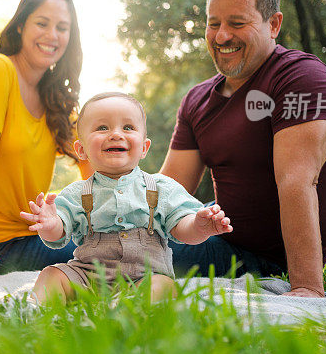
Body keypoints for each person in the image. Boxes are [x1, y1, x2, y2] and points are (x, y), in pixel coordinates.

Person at [161, 0, 326, 298]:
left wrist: (306, 288)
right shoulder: (197, 99)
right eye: (213, 24)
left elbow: (297, 181)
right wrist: (87, 205)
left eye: (237, 23)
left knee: (75, 253)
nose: (221, 36)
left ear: (273, 25)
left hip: (260, 258)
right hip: (217, 230)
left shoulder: (301, 78)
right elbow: (167, 192)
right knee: (101, 238)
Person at [22, 92, 233, 303]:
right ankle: (34, 309)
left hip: (144, 278)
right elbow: (58, 234)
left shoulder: (162, 188)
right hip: (87, 278)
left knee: (162, 286)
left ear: (144, 147)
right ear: (81, 150)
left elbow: (182, 227)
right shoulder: (77, 193)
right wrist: (49, 225)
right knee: (52, 274)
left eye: (128, 128)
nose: (115, 134)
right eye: (102, 128)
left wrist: (199, 226)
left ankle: (124, 311)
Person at [0, 0, 84, 287]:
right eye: (42, 23)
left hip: (38, 235)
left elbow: (96, 170)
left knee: (135, 242)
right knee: (122, 254)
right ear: (21, 26)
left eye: (62, 27)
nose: (52, 35)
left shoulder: (57, 100)